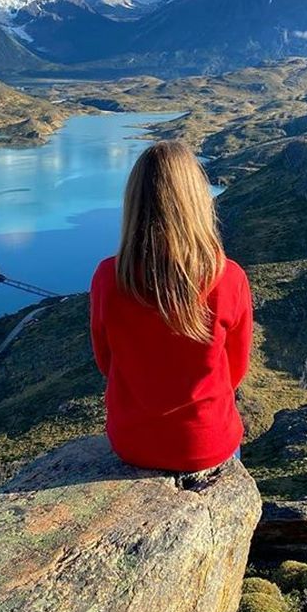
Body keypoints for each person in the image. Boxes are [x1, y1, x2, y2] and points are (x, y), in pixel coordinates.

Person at [90, 140, 252, 473]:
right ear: (197, 201)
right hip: (208, 444)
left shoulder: (109, 277)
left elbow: (106, 362)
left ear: (134, 203)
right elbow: (235, 369)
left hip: (132, 443)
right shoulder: (229, 277)